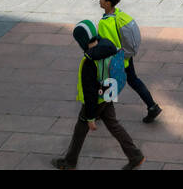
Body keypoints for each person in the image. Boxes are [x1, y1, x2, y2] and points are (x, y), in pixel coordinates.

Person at [52, 18, 144, 170]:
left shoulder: (89, 62)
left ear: (82, 40)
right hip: (109, 92)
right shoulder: (107, 44)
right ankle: (135, 155)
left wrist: (90, 117)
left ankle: (69, 162)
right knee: (113, 125)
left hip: (97, 99)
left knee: (80, 129)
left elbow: (89, 92)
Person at [98, 0, 161, 124]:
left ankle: (101, 113)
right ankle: (152, 106)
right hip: (127, 58)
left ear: (108, 3)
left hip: (115, 61)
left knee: (107, 83)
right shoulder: (119, 14)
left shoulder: (104, 23)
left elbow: (107, 46)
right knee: (134, 81)